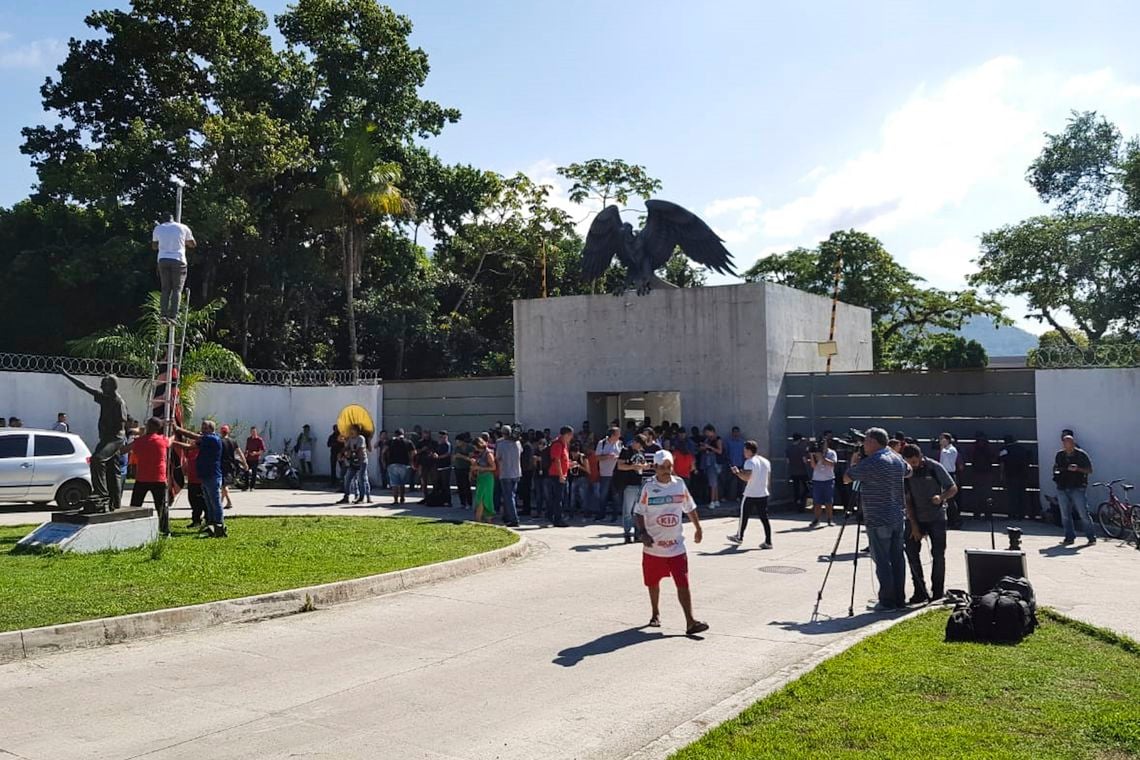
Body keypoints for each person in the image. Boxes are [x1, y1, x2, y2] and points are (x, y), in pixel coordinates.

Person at [634, 449, 709, 636]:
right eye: (662, 467)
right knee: (653, 582)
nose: (666, 471)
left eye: (669, 467)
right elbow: (638, 512)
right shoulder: (648, 488)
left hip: (676, 546)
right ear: (655, 468)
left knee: (683, 583)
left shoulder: (680, 484)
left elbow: (690, 507)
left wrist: (698, 528)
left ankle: (690, 622)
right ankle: (655, 613)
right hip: (654, 548)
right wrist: (643, 533)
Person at [844, 427, 911, 611]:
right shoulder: (896, 458)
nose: (863, 445)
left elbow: (846, 478)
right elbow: (909, 471)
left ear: (873, 442)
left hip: (878, 517)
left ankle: (887, 601)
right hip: (898, 516)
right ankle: (899, 598)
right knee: (897, 559)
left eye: (865, 441)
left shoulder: (873, 461)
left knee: (882, 561)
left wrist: (855, 462)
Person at [58, 368, 127, 512]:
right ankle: (115, 501)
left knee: (97, 459)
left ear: (112, 386)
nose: (101, 387)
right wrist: (66, 374)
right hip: (106, 438)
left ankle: (101, 493)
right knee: (113, 470)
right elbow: (84, 387)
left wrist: (110, 442)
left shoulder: (118, 402)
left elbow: (121, 427)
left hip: (115, 438)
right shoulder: (104, 397)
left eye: (104, 385)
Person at [901, 443, 957, 604]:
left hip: (937, 518)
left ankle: (937, 593)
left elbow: (953, 488)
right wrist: (915, 526)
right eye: (909, 462)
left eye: (915, 461)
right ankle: (920, 591)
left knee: (938, 555)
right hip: (915, 517)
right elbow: (908, 500)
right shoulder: (905, 472)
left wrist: (942, 497)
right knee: (911, 554)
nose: (913, 465)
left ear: (920, 456)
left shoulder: (934, 467)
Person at [123, 417, 189, 536]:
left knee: (135, 506)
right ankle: (164, 530)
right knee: (161, 507)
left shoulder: (139, 441)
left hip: (142, 479)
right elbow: (171, 440)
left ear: (147, 426)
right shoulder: (162, 440)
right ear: (159, 428)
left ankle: (130, 529)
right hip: (158, 478)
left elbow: (124, 450)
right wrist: (174, 432)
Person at [179, 420, 226, 537]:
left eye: (205, 428)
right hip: (205, 476)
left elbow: (193, 436)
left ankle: (219, 524)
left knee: (215, 502)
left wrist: (177, 429)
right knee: (208, 502)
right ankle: (210, 523)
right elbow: (190, 446)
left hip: (212, 475)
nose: (202, 430)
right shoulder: (206, 440)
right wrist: (173, 443)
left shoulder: (213, 439)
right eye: (202, 428)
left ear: (211, 429)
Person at [727, 440, 772, 548]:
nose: (744, 452)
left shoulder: (749, 462)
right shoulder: (765, 461)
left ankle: (739, 536)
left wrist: (737, 472)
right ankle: (768, 541)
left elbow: (747, 477)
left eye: (745, 450)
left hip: (751, 493)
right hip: (762, 493)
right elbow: (768, 478)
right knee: (764, 518)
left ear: (749, 450)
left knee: (744, 516)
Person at [151, 214, 196, 322]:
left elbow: (154, 246)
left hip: (163, 260)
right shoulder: (183, 227)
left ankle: (163, 315)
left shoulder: (158, 228)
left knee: (165, 288)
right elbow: (192, 244)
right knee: (177, 289)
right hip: (178, 260)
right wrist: (182, 241)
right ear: (173, 219)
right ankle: (173, 316)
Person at [1053, 433, 1095, 545]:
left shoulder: (1081, 455)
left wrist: (1078, 469)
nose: (1066, 445)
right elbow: (1056, 467)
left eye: (1068, 442)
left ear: (1073, 443)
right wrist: (1060, 471)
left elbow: (1090, 470)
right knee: (1065, 514)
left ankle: (1091, 537)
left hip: (1077, 487)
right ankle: (1069, 537)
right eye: (1064, 442)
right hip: (1062, 486)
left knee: (1083, 513)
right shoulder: (1059, 455)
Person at [615, 434, 649, 543]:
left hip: (640, 482)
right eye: (637, 443)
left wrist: (644, 466)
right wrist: (632, 467)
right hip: (628, 483)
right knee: (627, 511)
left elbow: (644, 464)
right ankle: (627, 533)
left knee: (637, 511)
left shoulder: (641, 452)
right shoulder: (626, 451)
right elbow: (620, 466)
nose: (638, 446)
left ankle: (637, 533)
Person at [545, 426, 573, 528]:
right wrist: (561, 475)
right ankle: (558, 519)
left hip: (562, 474)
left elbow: (563, 460)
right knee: (558, 498)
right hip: (556, 475)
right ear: (566, 434)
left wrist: (570, 464)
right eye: (570, 435)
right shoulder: (558, 444)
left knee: (560, 497)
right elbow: (556, 460)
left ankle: (552, 515)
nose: (571, 437)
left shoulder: (564, 444)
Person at [999, 435, 1032, 520]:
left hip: (1011, 475)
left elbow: (1002, 463)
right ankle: (1022, 514)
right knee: (1022, 495)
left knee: (1012, 496)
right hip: (1023, 475)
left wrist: (1002, 476)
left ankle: (1012, 514)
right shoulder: (1022, 449)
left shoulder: (1004, 450)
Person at [495, 426, 522, 527]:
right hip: (517, 472)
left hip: (506, 472)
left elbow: (498, 457)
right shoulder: (518, 443)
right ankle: (507, 516)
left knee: (508, 497)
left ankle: (514, 519)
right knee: (512, 495)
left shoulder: (501, 444)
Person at [594, 427, 622, 520]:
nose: (619, 436)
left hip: (616, 473)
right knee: (603, 495)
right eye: (617, 434)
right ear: (612, 435)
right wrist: (607, 456)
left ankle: (615, 515)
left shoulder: (620, 444)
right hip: (605, 473)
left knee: (616, 495)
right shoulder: (602, 443)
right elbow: (597, 458)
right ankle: (601, 514)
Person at [337, 425, 369, 505]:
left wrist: (350, 453)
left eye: (353, 430)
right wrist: (341, 453)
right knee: (347, 478)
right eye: (351, 429)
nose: (351, 431)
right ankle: (346, 497)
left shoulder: (361, 438)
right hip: (353, 462)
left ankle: (361, 497)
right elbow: (346, 447)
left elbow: (359, 449)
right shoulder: (351, 439)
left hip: (361, 461)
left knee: (361, 479)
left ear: (357, 431)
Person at [809, 438, 838, 527]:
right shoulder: (815, 453)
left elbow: (832, 464)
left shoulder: (831, 453)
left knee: (828, 501)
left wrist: (822, 457)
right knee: (817, 502)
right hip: (817, 480)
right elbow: (813, 466)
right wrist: (811, 455)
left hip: (828, 480)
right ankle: (816, 519)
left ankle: (830, 519)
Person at [968, 432, 997, 519]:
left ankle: (977, 514)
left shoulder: (974, 447)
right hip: (987, 473)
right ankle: (988, 514)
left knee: (977, 495)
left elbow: (970, 457)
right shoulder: (988, 447)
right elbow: (994, 457)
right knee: (987, 494)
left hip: (976, 473)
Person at [471, 434, 497, 523]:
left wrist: (480, 468)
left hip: (487, 478)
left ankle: (480, 519)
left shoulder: (488, 453)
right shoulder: (480, 454)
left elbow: (493, 467)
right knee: (479, 497)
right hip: (481, 478)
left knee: (483, 498)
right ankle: (484, 519)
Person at [386, 429, 414, 505]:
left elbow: (384, 451)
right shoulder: (408, 442)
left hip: (392, 464)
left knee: (394, 483)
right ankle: (402, 498)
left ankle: (395, 500)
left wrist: (385, 462)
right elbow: (413, 452)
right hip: (404, 464)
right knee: (402, 483)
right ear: (403, 434)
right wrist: (411, 462)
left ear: (395, 434)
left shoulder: (391, 442)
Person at [219, 425, 244, 510]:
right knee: (224, 484)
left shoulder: (220, 441)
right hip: (231, 465)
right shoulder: (233, 441)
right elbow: (240, 453)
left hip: (222, 465)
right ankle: (221, 502)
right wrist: (245, 463)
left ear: (221, 432)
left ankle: (229, 502)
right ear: (228, 431)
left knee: (223, 484)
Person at [786, 433, 810, 512]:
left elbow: (788, 461)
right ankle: (801, 500)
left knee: (796, 489)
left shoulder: (789, 449)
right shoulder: (801, 448)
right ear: (799, 440)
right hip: (802, 471)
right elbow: (804, 461)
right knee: (807, 488)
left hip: (793, 471)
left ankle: (797, 504)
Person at [722, 426, 747, 502]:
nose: (736, 433)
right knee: (728, 481)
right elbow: (726, 452)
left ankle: (739, 497)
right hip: (731, 464)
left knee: (740, 482)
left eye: (737, 432)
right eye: (734, 432)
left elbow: (744, 454)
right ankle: (725, 497)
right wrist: (729, 463)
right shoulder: (728, 442)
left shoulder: (742, 442)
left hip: (740, 464)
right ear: (732, 433)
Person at [453, 432, 474, 509]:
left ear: (462, 441)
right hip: (458, 468)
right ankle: (463, 503)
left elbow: (471, 459)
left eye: (458, 441)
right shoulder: (456, 448)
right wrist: (455, 458)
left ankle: (469, 503)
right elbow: (454, 457)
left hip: (466, 468)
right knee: (460, 486)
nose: (457, 443)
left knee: (467, 486)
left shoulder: (470, 448)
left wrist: (461, 456)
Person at [244, 427, 266, 491]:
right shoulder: (249, 439)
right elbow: (247, 448)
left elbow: (263, 450)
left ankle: (252, 487)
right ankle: (246, 486)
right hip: (248, 458)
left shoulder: (259, 440)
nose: (253, 433)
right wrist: (245, 454)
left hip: (255, 459)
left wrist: (256, 453)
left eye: (254, 432)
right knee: (246, 471)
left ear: (256, 432)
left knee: (254, 473)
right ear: (250, 432)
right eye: (252, 432)